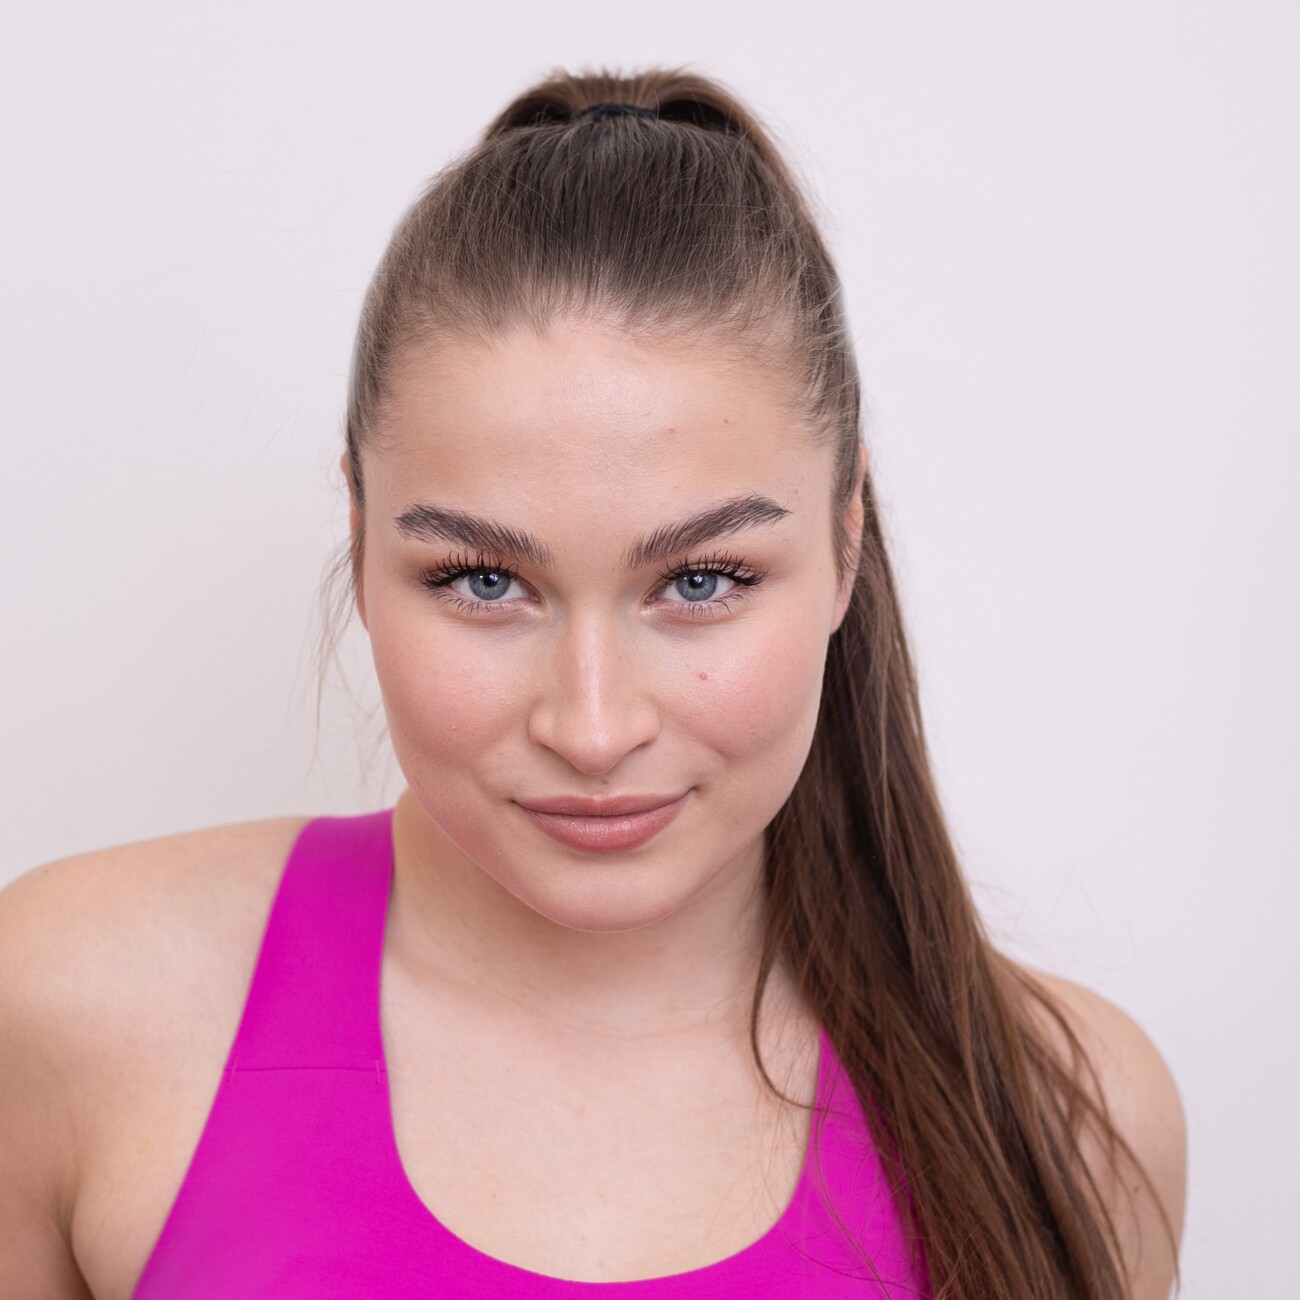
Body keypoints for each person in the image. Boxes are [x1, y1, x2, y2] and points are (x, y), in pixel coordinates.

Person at [0, 67, 1186, 1299]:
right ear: (357, 539)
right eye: (482, 581)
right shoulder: (72, 1010)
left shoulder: (1074, 1124)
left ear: (846, 543)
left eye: (703, 579)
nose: (593, 726)